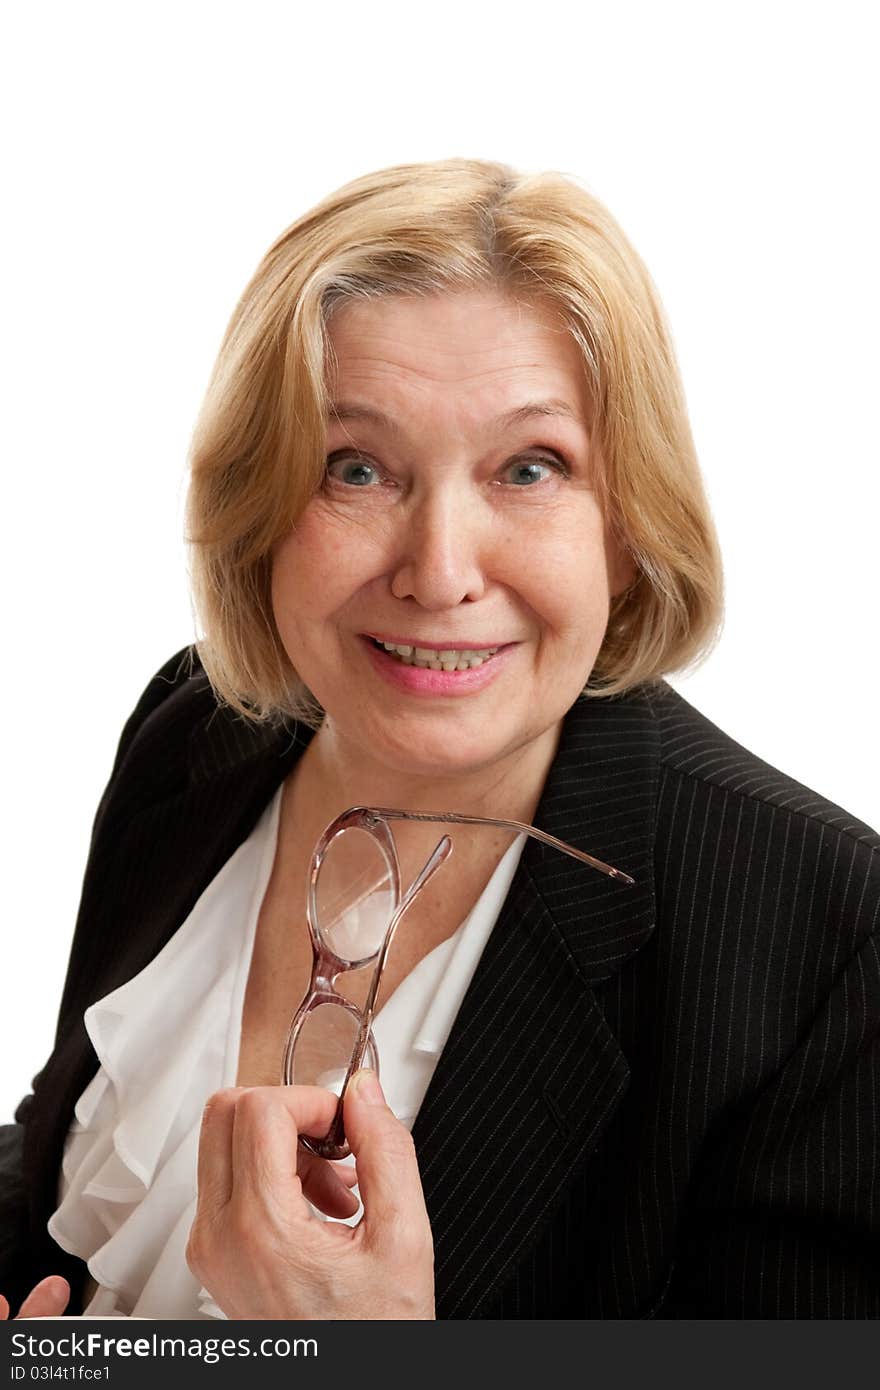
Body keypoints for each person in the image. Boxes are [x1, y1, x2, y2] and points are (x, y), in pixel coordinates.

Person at [1, 158, 878, 1321]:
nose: (439, 570)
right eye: (354, 467)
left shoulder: (820, 933)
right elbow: (66, 1147)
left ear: (627, 524)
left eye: (530, 468)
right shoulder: (195, 729)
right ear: (259, 506)